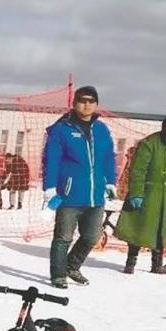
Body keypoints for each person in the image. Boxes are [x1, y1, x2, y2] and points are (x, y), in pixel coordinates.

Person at [42, 85, 117, 289]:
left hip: (95, 196)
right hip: (68, 195)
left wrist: (110, 181)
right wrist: (49, 189)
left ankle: (72, 266)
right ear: (74, 104)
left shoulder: (101, 129)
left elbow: (109, 157)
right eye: (82, 101)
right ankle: (58, 274)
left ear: (96, 104)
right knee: (63, 237)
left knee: (92, 236)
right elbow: (51, 160)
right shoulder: (61, 129)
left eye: (91, 101)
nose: (87, 105)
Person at [114, 106, 166, 276]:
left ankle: (157, 265)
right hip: (148, 195)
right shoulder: (150, 143)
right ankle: (130, 263)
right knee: (138, 228)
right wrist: (136, 193)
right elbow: (138, 170)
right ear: (165, 124)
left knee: (162, 230)